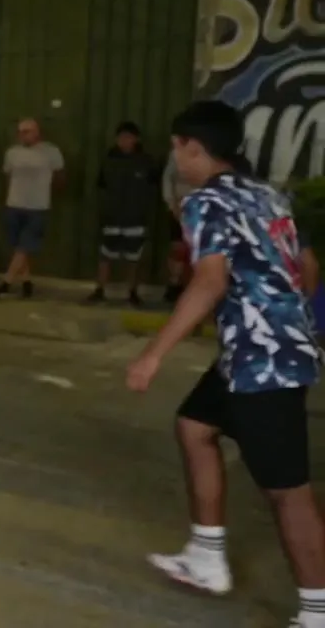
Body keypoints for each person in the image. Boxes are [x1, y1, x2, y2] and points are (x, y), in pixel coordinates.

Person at [125, 100, 325, 628]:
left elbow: (209, 282)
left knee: (288, 494)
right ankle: (207, 556)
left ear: (193, 147)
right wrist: (288, 319)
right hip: (265, 352)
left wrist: (152, 355)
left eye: (177, 148)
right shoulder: (268, 193)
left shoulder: (206, 201)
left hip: (264, 364)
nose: (176, 159)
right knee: (195, 426)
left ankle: (318, 613)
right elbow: (307, 266)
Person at [0, 118, 64, 299]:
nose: (22, 135)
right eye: (20, 132)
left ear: (37, 132)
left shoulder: (51, 152)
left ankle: (7, 282)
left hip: (37, 206)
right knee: (18, 247)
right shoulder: (12, 153)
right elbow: (7, 176)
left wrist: (49, 193)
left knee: (25, 245)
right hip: (14, 204)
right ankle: (26, 281)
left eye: (27, 131)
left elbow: (59, 175)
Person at [87, 121, 157, 305]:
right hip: (111, 217)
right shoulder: (108, 160)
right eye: (121, 137)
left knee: (134, 258)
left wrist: (143, 212)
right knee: (105, 256)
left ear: (136, 139)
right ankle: (100, 290)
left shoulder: (146, 161)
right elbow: (101, 187)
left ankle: (132, 292)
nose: (124, 141)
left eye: (128, 137)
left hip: (136, 218)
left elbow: (152, 189)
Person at [162, 150, 196, 303]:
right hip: (178, 206)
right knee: (177, 248)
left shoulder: (211, 153)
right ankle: (174, 283)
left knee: (196, 249)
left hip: (200, 207)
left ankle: (191, 287)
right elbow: (168, 178)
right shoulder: (177, 153)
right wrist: (172, 204)